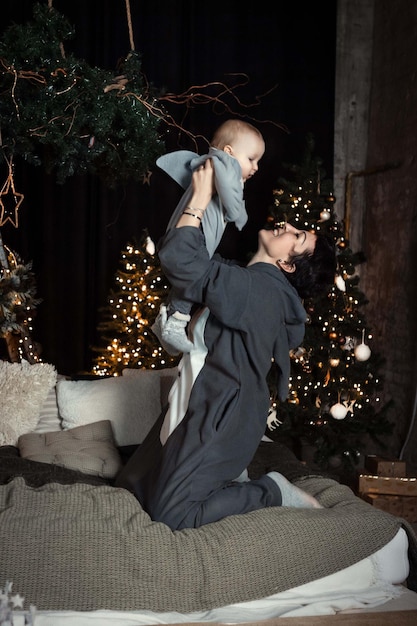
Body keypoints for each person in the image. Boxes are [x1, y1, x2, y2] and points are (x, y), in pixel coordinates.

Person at [116, 159, 337, 530]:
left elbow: (181, 260)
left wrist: (200, 198)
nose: (289, 226)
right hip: (201, 404)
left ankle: (272, 492)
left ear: (287, 264)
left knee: (173, 514)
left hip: (219, 417)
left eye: (297, 236)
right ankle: (222, 478)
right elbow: (195, 267)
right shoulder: (248, 281)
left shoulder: (259, 290)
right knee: (130, 487)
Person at [151, 119, 265, 355]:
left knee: (193, 276)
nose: (255, 167)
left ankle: (172, 317)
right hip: (195, 234)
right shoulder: (224, 165)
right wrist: (239, 215)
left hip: (191, 231)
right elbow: (232, 202)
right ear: (229, 152)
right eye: (251, 159)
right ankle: (175, 319)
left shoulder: (213, 164)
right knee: (195, 274)